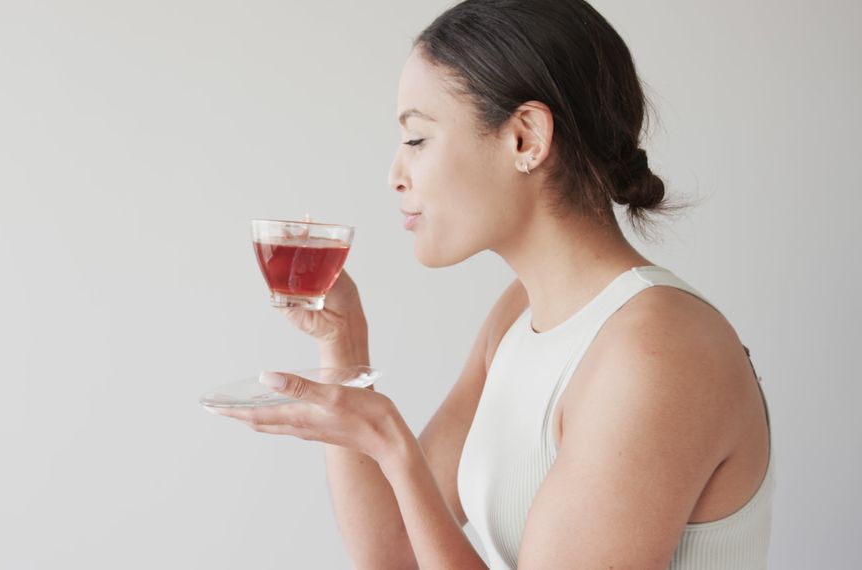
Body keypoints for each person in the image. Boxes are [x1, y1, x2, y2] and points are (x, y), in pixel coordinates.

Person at [205, 0, 773, 567]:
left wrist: (394, 447)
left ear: (525, 138)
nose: (395, 175)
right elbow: (394, 552)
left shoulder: (660, 350)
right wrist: (344, 345)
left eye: (417, 139)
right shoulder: (518, 315)